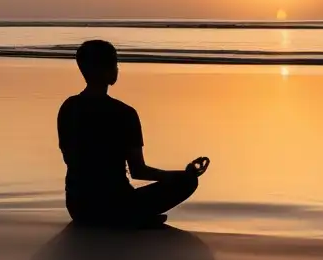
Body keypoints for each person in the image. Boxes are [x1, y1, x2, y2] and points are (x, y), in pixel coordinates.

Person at [57, 39, 210, 225]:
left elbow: (70, 158)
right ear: (106, 69)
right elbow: (138, 170)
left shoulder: (68, 107)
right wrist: (183, 175)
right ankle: (133, 218)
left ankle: (131, 217)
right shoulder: (124, 113)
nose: (117, 69)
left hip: (78, 207)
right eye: (115, 63)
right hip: (118, 205)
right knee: (188, 182)